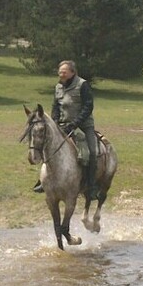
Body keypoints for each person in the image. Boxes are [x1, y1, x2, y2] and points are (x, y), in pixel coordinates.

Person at [33, 59, 100, 200]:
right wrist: (55, 122)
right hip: (63, 124)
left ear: (72, 72)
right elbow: (55, 106)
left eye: (64, 71)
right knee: (46, 147)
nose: (61, 74)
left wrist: (75, 123)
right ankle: (43, 181)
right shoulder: (58, 87)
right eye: (59, 71)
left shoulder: (83, 85)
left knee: (92, 152)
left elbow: (88, 106)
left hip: (83, 125)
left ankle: (91, 185)